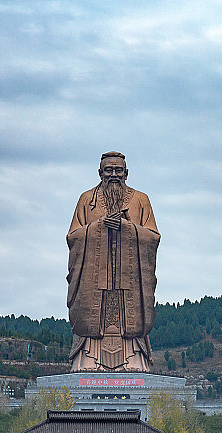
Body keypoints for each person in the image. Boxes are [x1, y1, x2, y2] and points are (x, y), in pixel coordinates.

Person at [66, 151, 160, 371]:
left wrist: (126, 228)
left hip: (129, 281)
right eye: (109, 170)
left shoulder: (141, 200)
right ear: (100, 173)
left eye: (119, 170)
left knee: (129, 318)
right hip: (95, 280)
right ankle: (88, 359)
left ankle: (134, 359)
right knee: (93, 319)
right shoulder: (86, 200)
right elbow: (73, 237)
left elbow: (153, 237)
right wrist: (99, 226)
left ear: (126, 173)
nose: (114, 175)